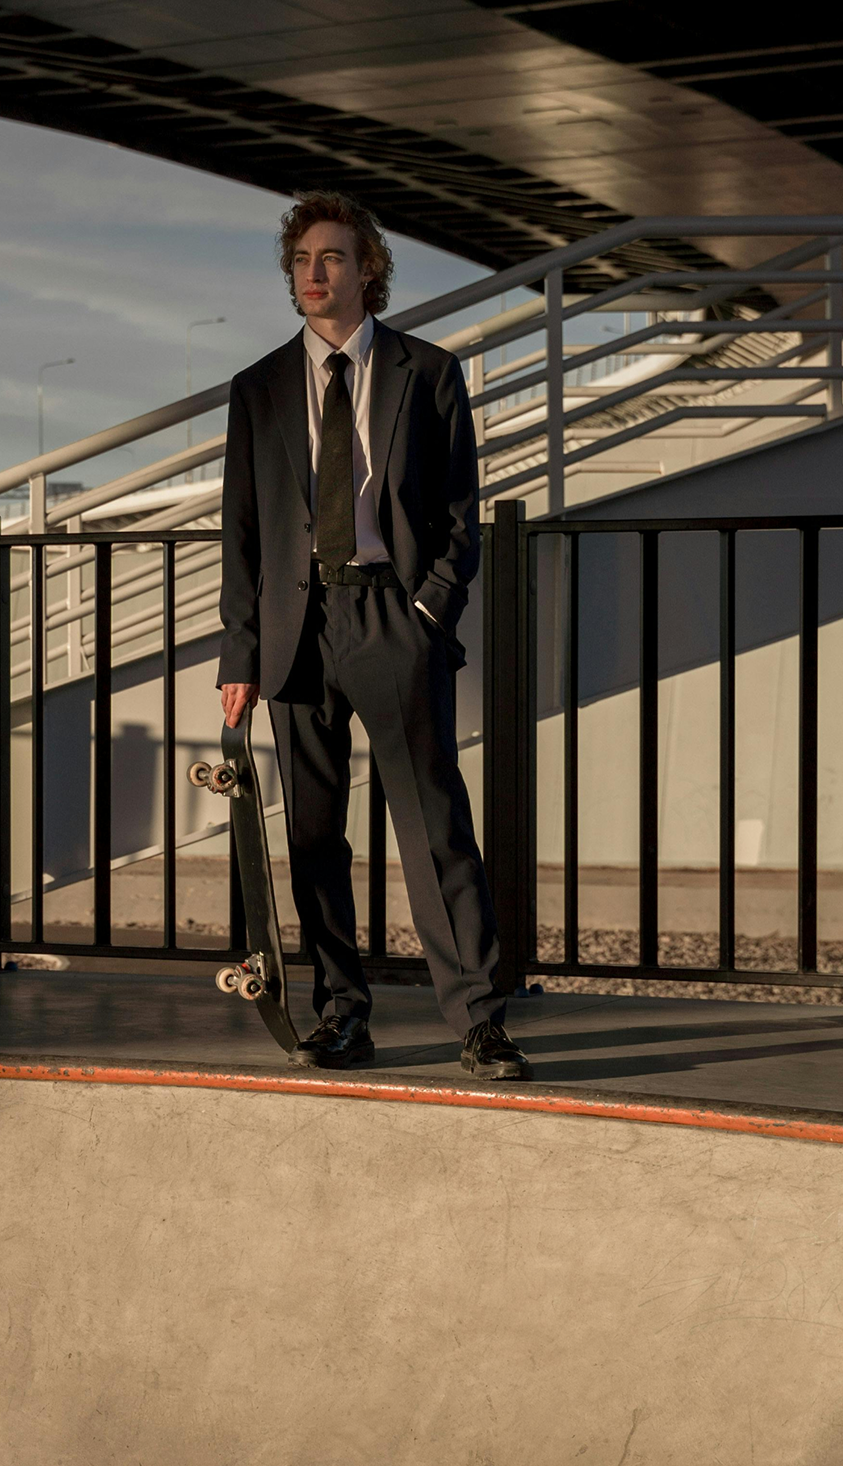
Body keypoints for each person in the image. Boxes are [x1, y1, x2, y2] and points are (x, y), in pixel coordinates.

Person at [217, 189, 529, 1080]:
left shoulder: (427, 374)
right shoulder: (258, 389)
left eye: (332, 259)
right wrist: (241, 655)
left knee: (434, 827)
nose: (314, 275)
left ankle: (480, 1020)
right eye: (301, 261)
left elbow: (460, 516)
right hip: (295, 630)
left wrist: (429, 611)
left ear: (369, 272)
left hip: (394, 618)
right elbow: (241, 532)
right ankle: (342, 1015)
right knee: (314, 836)